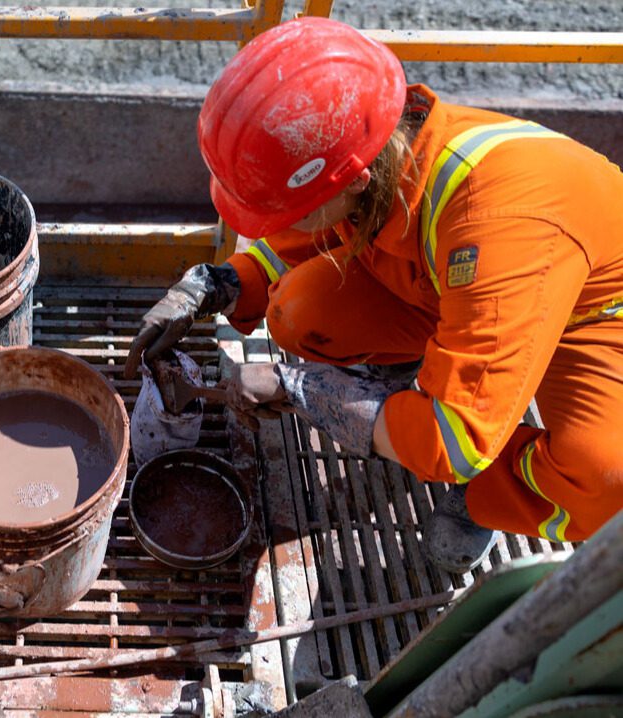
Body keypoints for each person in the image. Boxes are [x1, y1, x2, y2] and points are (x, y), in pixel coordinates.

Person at [125, 16, 623, 572]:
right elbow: (306, 233)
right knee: (300, 314)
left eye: (284, 210)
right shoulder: (375, 152)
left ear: (355, 182)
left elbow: (452, 440)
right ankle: (412, 382)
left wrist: (307, 390)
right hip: (459, 287)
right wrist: (219, 285)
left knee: (598, 477)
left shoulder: (496, 222)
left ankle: (494, 490)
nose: (276, 225)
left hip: (594, 313)